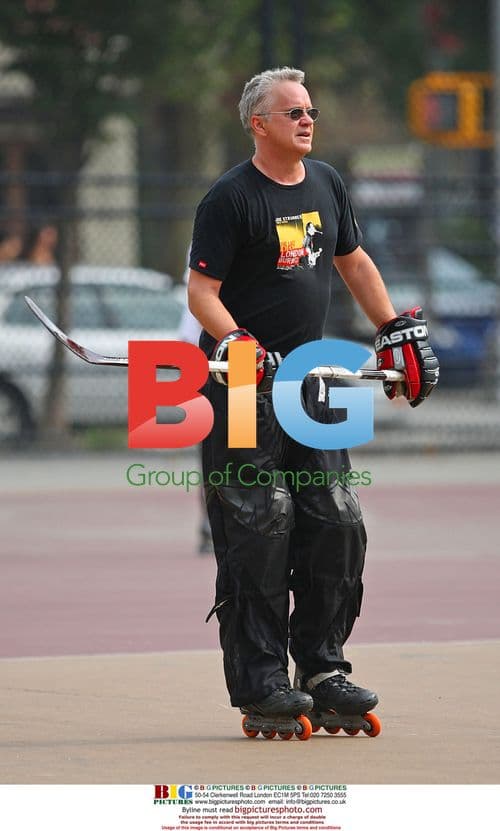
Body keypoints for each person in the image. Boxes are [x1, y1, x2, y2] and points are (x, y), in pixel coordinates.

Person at [187, 67, 439, 726]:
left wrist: (393, 329)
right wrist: (237, 339)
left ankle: (323, 666)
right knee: (259, 528)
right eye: (292, 111)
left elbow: (353, 262)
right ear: (259, 123)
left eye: (311, 110)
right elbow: (201, 292)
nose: (307, 119)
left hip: (315, 380)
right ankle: (262, 679)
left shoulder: (326, 182)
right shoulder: (230, 198)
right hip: (243, 385)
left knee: (337, 521)